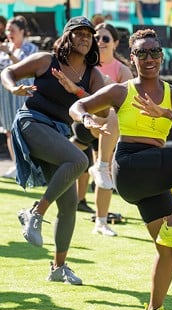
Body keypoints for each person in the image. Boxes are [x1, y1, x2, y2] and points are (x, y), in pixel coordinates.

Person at [69, 28, 172, 310]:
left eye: (154, 52)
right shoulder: (121, 91)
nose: (149, 58)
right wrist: (88, 119)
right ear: (131, 58)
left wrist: (166, 113)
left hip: (151, 176)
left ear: (162, 56)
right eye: (141, 53)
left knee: (167, 249)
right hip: (130, 165)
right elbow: (77, 106)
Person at [0, 16, 107, 284]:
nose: (85, 38)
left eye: (89, 35)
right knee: (79, 160)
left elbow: (105, 110)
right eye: (79, 33)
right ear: (68, 36)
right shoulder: (47, 60)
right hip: (31, 123)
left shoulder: (93, 75)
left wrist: (78, 91)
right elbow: (8, 73)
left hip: (57, 132)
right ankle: (35, 213)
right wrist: (14, 88)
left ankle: (58, 267)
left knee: (69, 203)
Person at [73, 22, 133, 236]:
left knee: (103, 171)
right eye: (97, 38)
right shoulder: (85, 65)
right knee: (78, 160)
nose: (100, 42)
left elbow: (128, 104)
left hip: (108, 128)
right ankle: (78, 200)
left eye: (105, 38)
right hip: (84, 123)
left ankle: (101, 221)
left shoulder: (122, 70)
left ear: (115, 43)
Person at [0, 15, 38, 179]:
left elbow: (24, 68)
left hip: (23, 95)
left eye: (12, 30)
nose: (9, 33)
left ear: (22, 31)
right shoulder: (5, 48)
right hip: (5, 95)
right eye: (8, 30)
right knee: (9, 131)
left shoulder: (31, 48)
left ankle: (31, 168)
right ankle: (17, 166)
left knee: (25, 131)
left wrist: (9, 53)